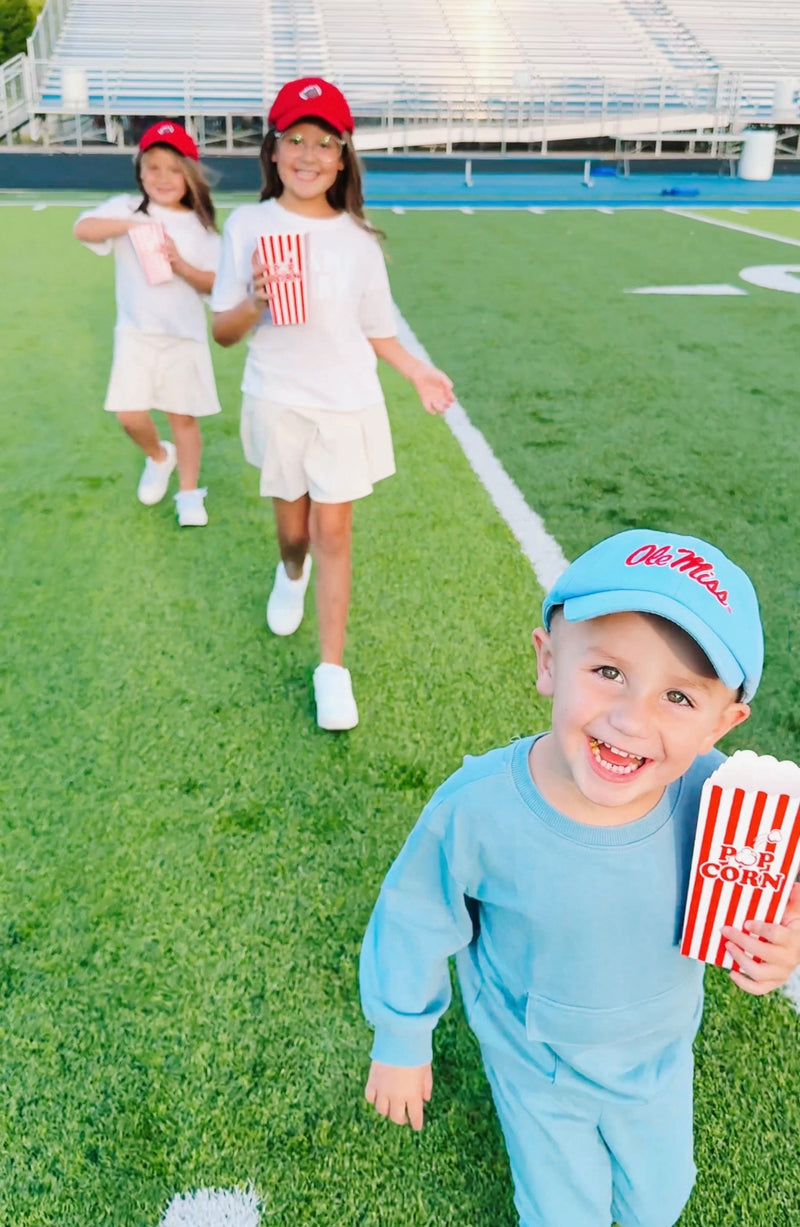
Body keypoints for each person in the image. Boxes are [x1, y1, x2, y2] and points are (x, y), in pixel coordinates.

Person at [360, 528, 800, 1227]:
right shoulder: (478, 807)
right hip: (538, 1057)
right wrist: (402, 1037)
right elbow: (414, 914)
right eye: (609, 672)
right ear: (549, 661)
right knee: (565, 1212)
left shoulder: (728, 799)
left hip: (658, 1052)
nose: (631, 719)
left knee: (659, 1203)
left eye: (679, 697)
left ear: (724, 723)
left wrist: (787, 938)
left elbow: (783, 892)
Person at [210, 77, 454, 731]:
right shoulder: (249, 225)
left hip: (346, 403)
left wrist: (419, 372)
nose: (309, 155)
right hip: (276, 398)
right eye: (296, 139)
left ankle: (331, 670)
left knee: (334, 532)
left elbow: (378, 329)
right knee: (295, 535)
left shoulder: (359, 240)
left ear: (343, 158)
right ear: (272, 150)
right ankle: (290, 573)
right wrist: (256, 301)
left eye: (325, 142)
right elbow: (223, 332)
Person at [74, 120, 221, 526]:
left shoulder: (201, 228)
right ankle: (159, 456)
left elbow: (216, 282)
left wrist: (180, 264)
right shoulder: (126, 208)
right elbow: (82, 228)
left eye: (174, 168)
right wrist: (132, 226)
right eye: (153, 167)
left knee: (183, 417)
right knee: (129, 414)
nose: (163, 177)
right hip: (136, 334)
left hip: (184, 337)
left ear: (190, 174)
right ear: (140, 171)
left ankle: (189, 493)